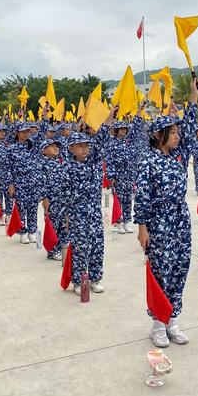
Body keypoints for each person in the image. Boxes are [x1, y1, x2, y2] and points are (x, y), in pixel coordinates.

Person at [134, 77, 198, 348]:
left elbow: (192, 126)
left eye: (177, 132)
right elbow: (143, 197)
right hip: (158, 221)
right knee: (161, 271)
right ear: (159, 135)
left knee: (180, 268)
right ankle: (158, 323)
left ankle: (173, 319)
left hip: (180, 219)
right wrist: (142, 227)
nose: (177, 136)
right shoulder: (149, 160)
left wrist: (193, 98)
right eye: (172, 133)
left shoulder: (179, 156)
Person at [61, 105, 118, 296]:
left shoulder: (93, 161)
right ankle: (78, 280)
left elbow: (101, 138)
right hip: (78, 214)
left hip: (94, 212)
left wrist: (109, 117)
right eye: (81, 146)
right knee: (80, 248)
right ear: (71, 148)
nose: (85, 148)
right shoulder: (68, 167)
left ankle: (95, 278)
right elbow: (65, 195)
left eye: (87, 145)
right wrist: (67, 217)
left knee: (97, 245)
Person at [8, 107, 50, 244]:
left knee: (33, 207)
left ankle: (32, 231)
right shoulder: (12, 148)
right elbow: (9, 167)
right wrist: (11, 184)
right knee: (21, 206)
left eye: (27, 131)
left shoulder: (34, 146)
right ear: (17, 133)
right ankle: (22, 232)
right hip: (20, 181)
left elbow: (42, 131)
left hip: (34, 181)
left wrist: (44, 115)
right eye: (23, 132)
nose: (26, 134)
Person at [106, 103, 146, 234]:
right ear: (116, 130)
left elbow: (136, 128)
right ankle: (118, 222)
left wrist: (139, 111)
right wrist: (111, 177)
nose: (123, 130)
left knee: (128, 199)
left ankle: (126, 221)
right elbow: (110, 161)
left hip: (129, 176)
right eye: (121, 129)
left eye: (124, 129)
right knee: (119, 199)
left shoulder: (129, 143)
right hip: (118, 176)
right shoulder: (112, 144)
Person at [40, 138, 66, 261]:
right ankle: (52, 250)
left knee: (62, 224)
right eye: (51, 146)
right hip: (51, 200)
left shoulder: (60, 162)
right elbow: (41, 183)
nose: (56, 148)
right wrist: (44, 198)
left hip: (62, 199)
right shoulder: (42, 164)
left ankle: (62, 248)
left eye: (57, 146)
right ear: (44, 151)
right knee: (53, 224)